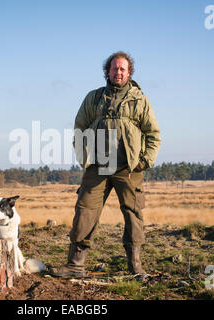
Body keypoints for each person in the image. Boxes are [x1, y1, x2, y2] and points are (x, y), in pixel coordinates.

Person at [50, 51, 161, 278]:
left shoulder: (139, 99)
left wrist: (144, 162)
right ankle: (75, 265)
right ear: (107, 72)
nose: (118, 72)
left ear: (129, 72)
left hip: (128, 169)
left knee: (133, 214)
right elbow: (80, 128)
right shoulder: (94, 97)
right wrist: (85, 159)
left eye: (122, 69)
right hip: (98, 167)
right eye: (114, 68)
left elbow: (153, 133)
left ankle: (135, 266)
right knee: (85, 211)